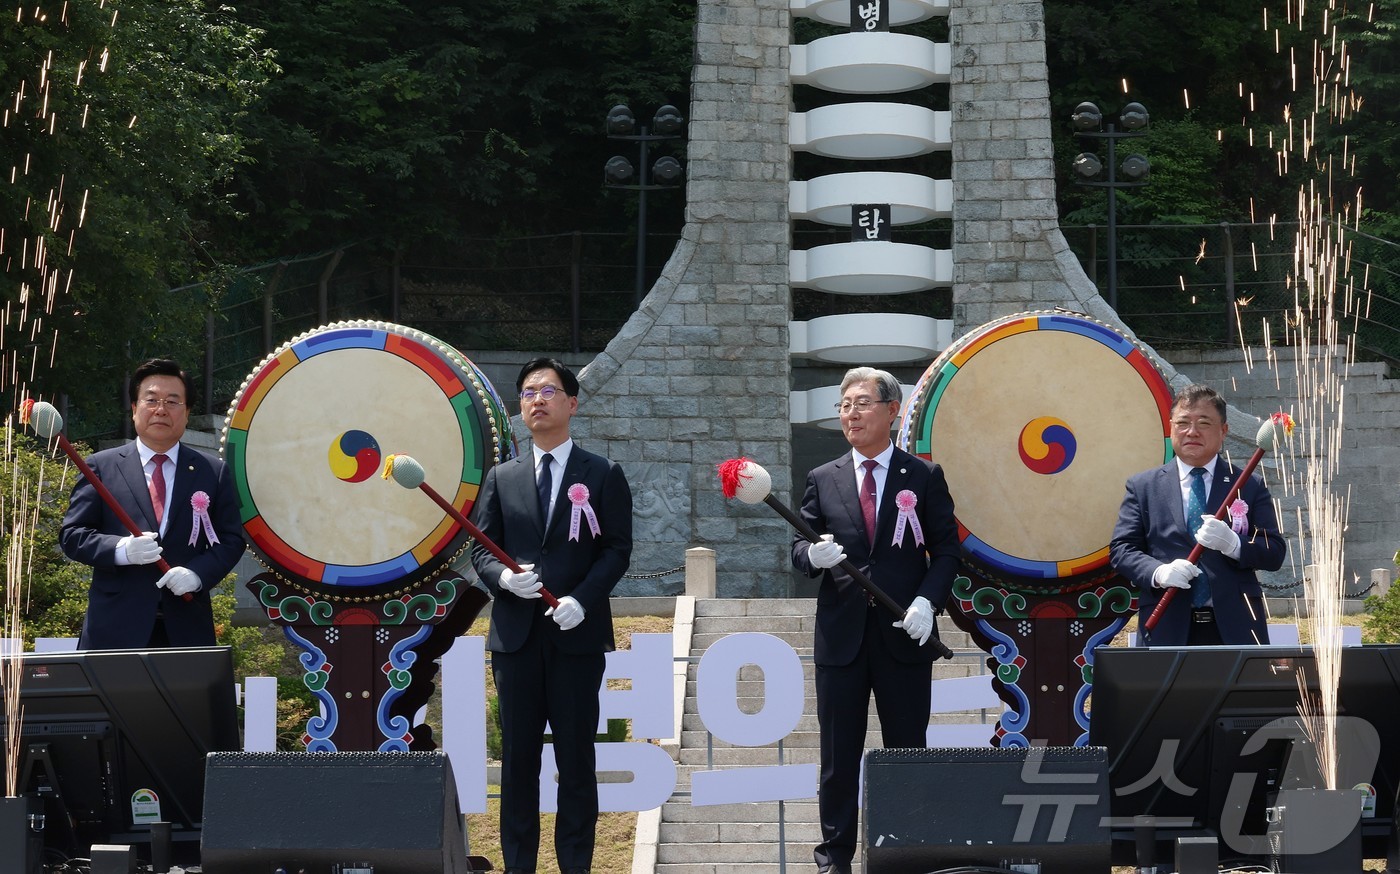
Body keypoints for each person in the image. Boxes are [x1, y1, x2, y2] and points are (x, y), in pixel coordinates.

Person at [790, 366, 961, 874]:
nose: (850, 412)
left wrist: (928, 604)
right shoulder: (824, 478)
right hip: (840, 638)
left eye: (862, 402)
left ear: (892, 410)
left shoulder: (924, 476)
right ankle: (834, 859)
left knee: (908, 749)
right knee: (838, 757)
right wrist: (809, 558)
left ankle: (908, 853)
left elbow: (947, 552)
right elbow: (799, 545)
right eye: (844, 404)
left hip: (902, 633)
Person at [469, 357, 633, 874]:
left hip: (576, 640)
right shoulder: (502, 476)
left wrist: (582, 600)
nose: (536, 399)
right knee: (519, 763)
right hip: (516, 640)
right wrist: (502, 579)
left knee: (576, 762)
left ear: (571, 402)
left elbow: (616, 549)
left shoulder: (602, 473)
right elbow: (481, 548)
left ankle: (576, 866)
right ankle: (519, 866)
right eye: (527, 392)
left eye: (547, 390)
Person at [60, 358, 246, 649]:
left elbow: (231, 539)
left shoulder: (213, 472)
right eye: (151, 400)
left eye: (173, 402)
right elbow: (72, 536)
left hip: (185, 629)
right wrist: (121, 550)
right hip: (114, 630)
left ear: (187, 413)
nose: (161, 410)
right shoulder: (100, 467)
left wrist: (197, 574)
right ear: (134, 409)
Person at [1110, 384, 1287, 646]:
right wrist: (1158, 572)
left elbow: (1274, 551)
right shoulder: (1144, 486)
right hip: (1166, 625)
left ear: (1223, 430)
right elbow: (1122, 549)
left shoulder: (1248, 484)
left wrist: (1234, 544)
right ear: (1171, 428)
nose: (1192, 432)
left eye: (1204, 423)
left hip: (1235, 628)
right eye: (1183, 423)